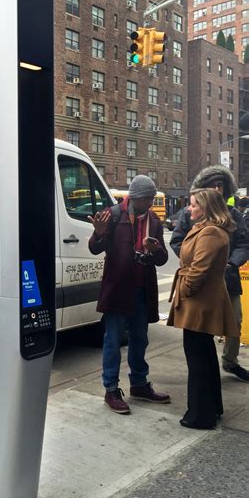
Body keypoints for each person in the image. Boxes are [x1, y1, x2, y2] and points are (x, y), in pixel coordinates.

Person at [88, 175, 170, 414]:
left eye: (153, 197)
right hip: (118, 288)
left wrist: (155, 251)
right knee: (113, 340)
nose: (152, 202)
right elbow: (94, 248)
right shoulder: (114, 215)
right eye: (148, 198)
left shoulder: (154, 220)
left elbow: (163, 258)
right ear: (136, 197)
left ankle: (139, 384)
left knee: (140, 338)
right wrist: (99, 234)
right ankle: (111, 389)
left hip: (143, 288)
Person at [168, 189, 238, 429]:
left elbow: (199, 269)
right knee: (204, 357)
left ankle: (200, 415)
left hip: (200, 302)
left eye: (194, 205)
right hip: (201, 300)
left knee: (198, 359)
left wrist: (185, 290)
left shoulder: (211, 232)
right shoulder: (206, 229)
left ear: (206, 207)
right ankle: (210, 409)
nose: (189, 209)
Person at [170, 165, 249, 381]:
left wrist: (231, 264)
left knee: (234, 320)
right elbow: (178, 241)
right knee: (200, 330)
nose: (217, 189)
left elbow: (243, 243)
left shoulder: (233, 214)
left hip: (228, 278)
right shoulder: (190, 214)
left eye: (220, 185)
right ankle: (204, 368)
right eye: (212, 185)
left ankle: (230, 361)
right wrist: (197, 260)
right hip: (202, 281)